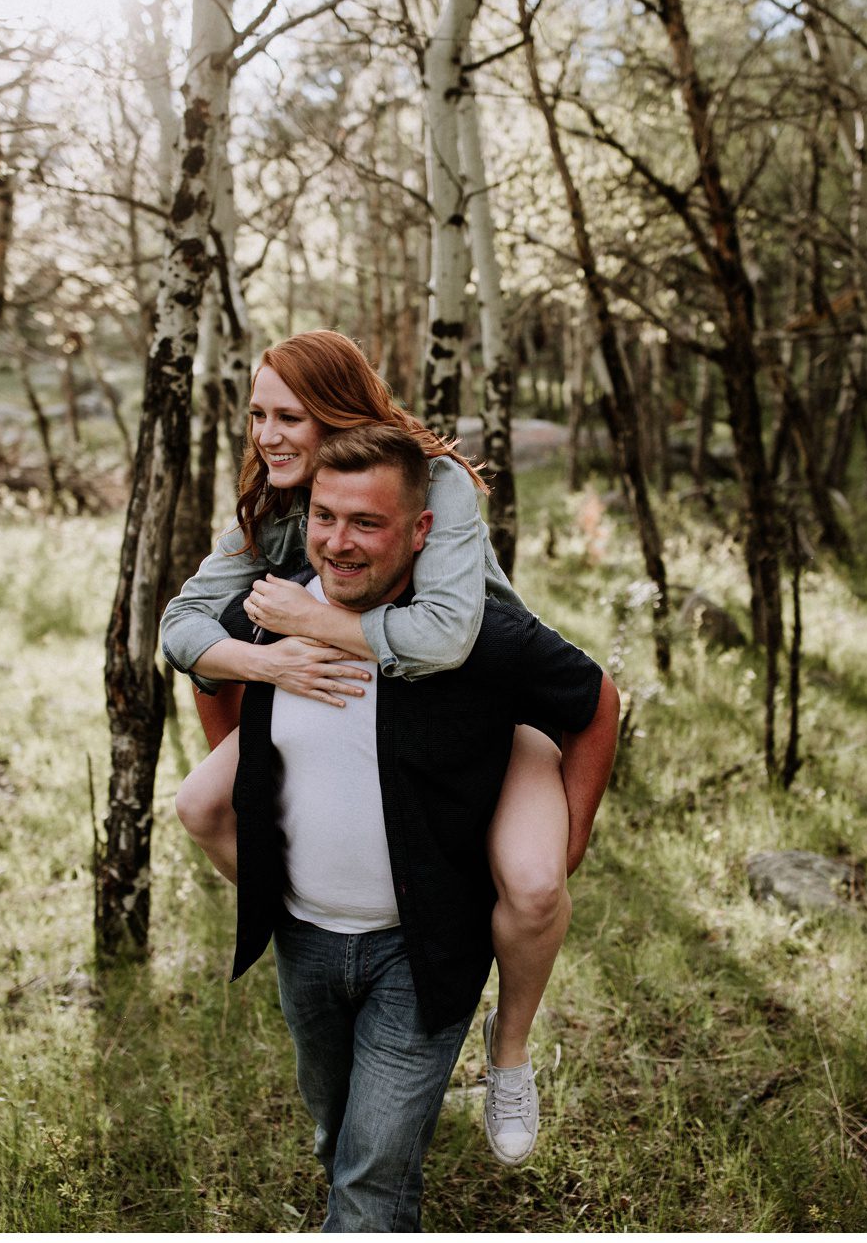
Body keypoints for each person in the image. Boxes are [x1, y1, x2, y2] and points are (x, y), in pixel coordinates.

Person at [159, 329, 584, 1166]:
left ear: (340, 416)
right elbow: (181, 624)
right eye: (257, 415)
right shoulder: (280, 502)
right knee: (202, 803)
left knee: (533, 885)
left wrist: (312, 620)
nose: (268, 435)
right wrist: (263, 658)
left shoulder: (437, 483)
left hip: (484, 698)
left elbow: (442, 637)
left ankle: (510, 1049)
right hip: (360, 703)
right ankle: (323, 909)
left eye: (290, 416)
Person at [215, 424, 619, 1230]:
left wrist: (560, 850)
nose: (340, 542)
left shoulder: (474, 639)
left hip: (421, 950)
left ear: (422, 531)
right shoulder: (270, 610)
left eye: (368, 523)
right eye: (326, 517)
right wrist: (245, 744)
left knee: (367, 1178)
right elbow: (206, 665)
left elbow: (593, 700)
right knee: (343, 1144)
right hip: (305, 942)